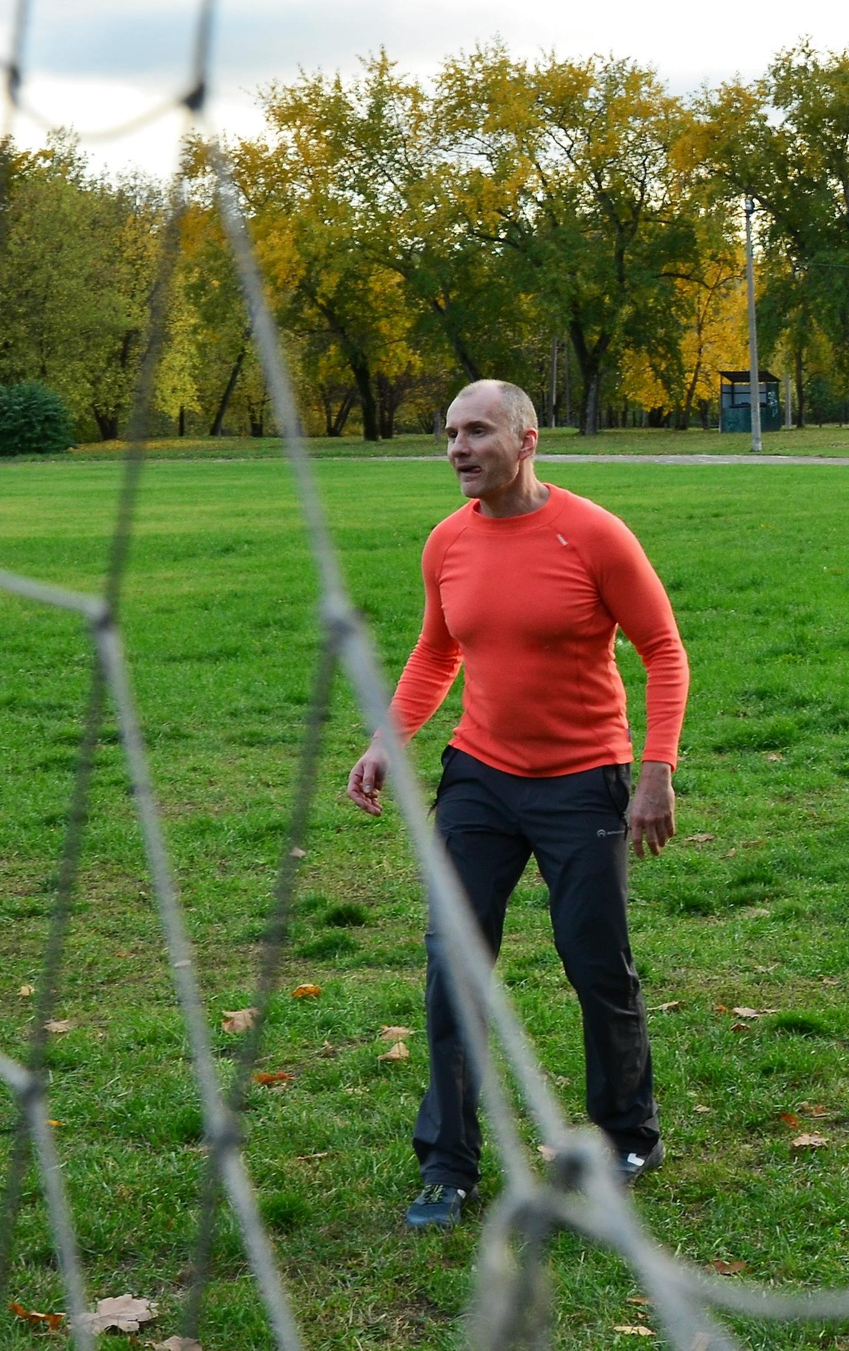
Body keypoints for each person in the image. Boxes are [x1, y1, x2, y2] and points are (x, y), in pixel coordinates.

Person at [345, 378, 685, 1233]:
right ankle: (449, 1165)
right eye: (450, 433)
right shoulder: (447, 543)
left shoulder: (593, 534)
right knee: (452, 964)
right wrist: (389, 739)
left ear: (526, 440)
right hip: (481, 780)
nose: (458, 448)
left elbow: (663, 651)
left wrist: (656, 770)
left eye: (477, 432)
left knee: (595, 962)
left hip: (584, 781)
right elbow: (434, 653)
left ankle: (625, 1137)